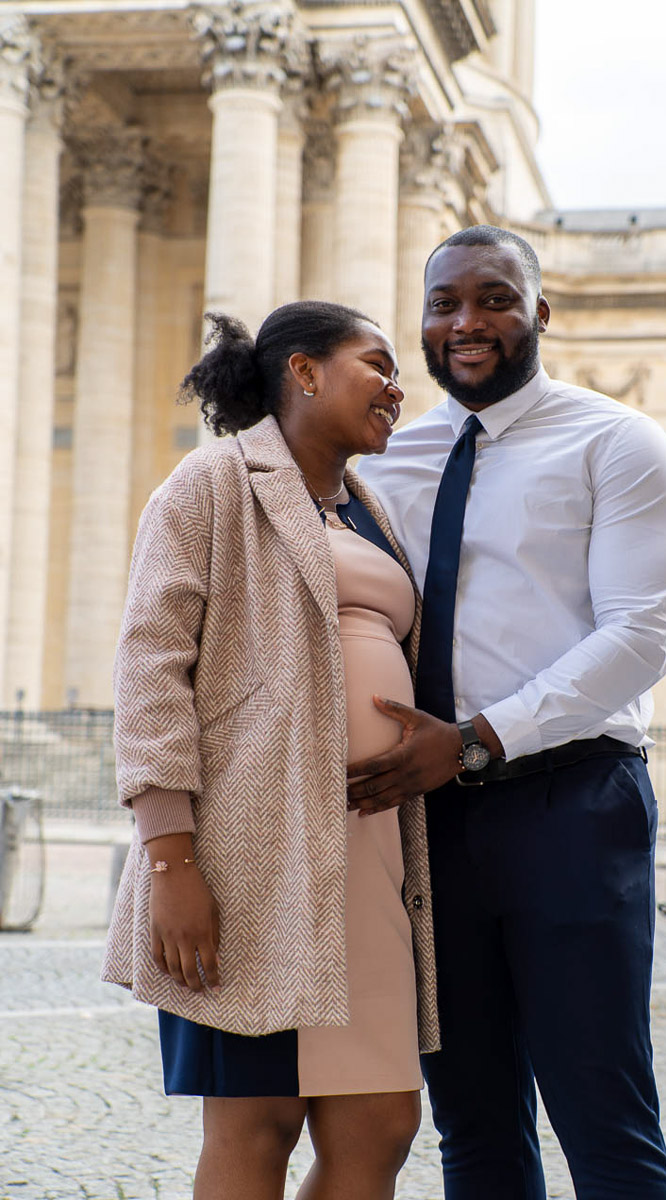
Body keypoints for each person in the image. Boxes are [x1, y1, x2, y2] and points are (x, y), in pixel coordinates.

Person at [355, 225, 666, 1199]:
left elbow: (640, 636)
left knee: (605, 1121)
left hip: (571, 806)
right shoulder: (387, 461)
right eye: (445, 302)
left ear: (538, 311)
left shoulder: (615, 442)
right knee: (473, 1127)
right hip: (426, 824)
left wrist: (472, 741)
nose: (467, 323)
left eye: (495, 299)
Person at [102, 300, 439, 1200]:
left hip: (367, 862)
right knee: (259, 1122)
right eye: (377, 364)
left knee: (382, 1123)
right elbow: (149, 666)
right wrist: (170, 860)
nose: (398, 387)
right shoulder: (210, 484)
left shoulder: (369, 511)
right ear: (304, 372)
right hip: (249, 858)